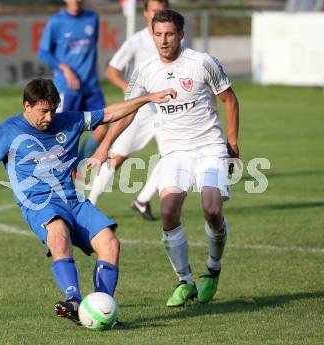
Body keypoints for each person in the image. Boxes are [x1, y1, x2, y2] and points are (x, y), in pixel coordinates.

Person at [0, 78, 176, 324]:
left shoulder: (70, 121)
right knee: (58, 232)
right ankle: (73, 300)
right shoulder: (7, 131)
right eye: (43, 111)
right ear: (27, 106)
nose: (49, 118)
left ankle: (99, 308)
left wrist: (147, 98)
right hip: (39, 204)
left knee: (110, 243)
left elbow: (109, 114)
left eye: (53, 111)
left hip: (73, 201)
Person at [91, 9, 240, 307]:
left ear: (181, 34)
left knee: (211, 208)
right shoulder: (145, 71)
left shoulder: (202, 63)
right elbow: (128, 111)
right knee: (169, 210)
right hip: (174, 153)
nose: (163, 40)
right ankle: (184, 281)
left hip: (209, 148)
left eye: (169, 34)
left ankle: (213, 269)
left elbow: (229, 99)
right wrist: (105, 143)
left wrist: (232, 144)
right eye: (158, 34)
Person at [88, 0, 168, 221]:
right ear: (145, 13)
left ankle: (142, 200)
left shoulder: (173, 38)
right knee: (117, 157)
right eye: (154, 12)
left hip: (167, 110)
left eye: (162, 11)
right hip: (140, 109)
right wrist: (130, 92)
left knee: (173, 155)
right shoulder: (137, 41)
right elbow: (111, 70)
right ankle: (90, 203)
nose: (158, 15)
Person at [38, 0, 107, 168]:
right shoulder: (56, 22)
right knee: (64, 134)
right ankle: (50, 168)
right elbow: (43, 52)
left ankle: (79, 165)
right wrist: (65, 69)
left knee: (103, 128)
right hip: (67, 89)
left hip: (91, 87)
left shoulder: (92, 18)